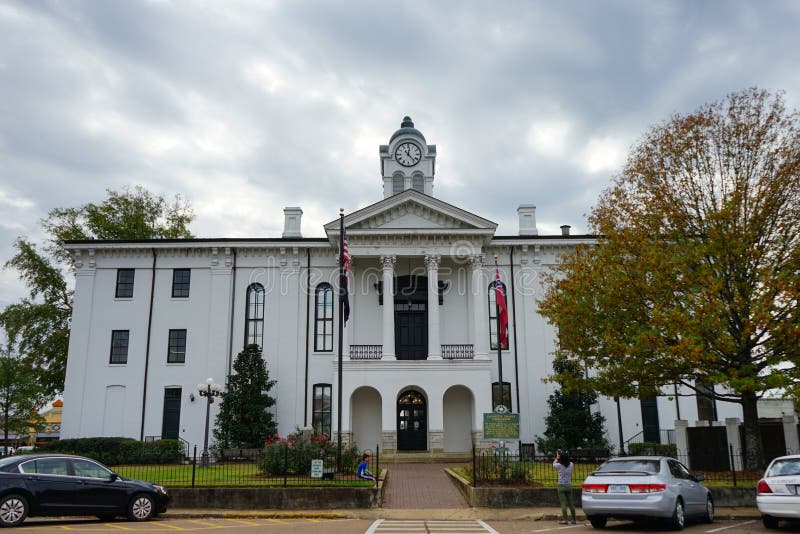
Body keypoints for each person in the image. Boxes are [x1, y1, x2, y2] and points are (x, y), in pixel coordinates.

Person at [553, 449, 576, 524]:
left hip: (561, 485)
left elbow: (553, 464)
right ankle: (574, 520)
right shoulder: (571, 464)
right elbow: (567, 460)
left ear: (561, 459)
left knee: (563, 503)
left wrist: (557, 457)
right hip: (568, 485)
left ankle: (565, 520)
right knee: (571, 503)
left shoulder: (559, 465)